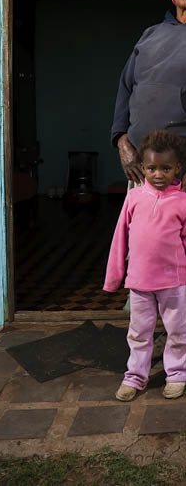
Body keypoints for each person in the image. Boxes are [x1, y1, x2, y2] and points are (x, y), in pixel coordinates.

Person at [103, 130, 186, 401]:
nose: (159, 174)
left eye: (165, 168)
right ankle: (135, 376)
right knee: (138, 333)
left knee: (178, 331)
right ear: (142, 167)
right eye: (152, 168)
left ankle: (177, 374)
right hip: (139, 283)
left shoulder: (183, 201)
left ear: (178, 168)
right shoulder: (134, 197)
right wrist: (114, 278)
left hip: (174, 283)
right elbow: (119, 239)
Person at [112, 0, 186, 187]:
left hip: (180, 170)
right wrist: (121, 140)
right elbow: (126, 88)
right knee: (143, 224)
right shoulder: (150, 35)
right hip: (141, 165)